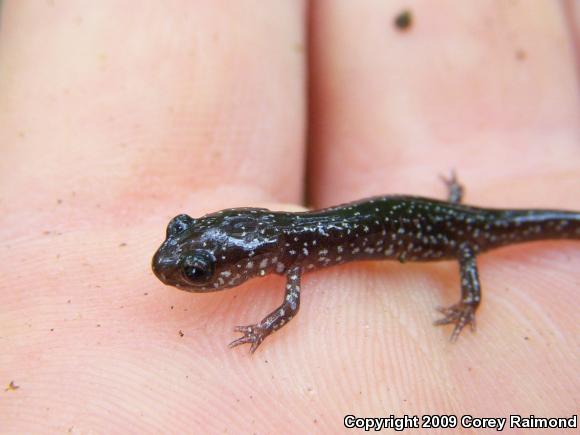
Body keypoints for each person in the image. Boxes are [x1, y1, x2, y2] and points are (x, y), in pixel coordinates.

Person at [1, 1, 578, 432]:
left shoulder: (291, 259)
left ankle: (473, 295)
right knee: (464, 232)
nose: (183, 269)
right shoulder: (290, 252)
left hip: (449, 228)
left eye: (199, 269)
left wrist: (261, 328)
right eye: (193, 254)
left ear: (258, 250)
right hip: (434, 216)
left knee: (468, 244)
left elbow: (289, 310)